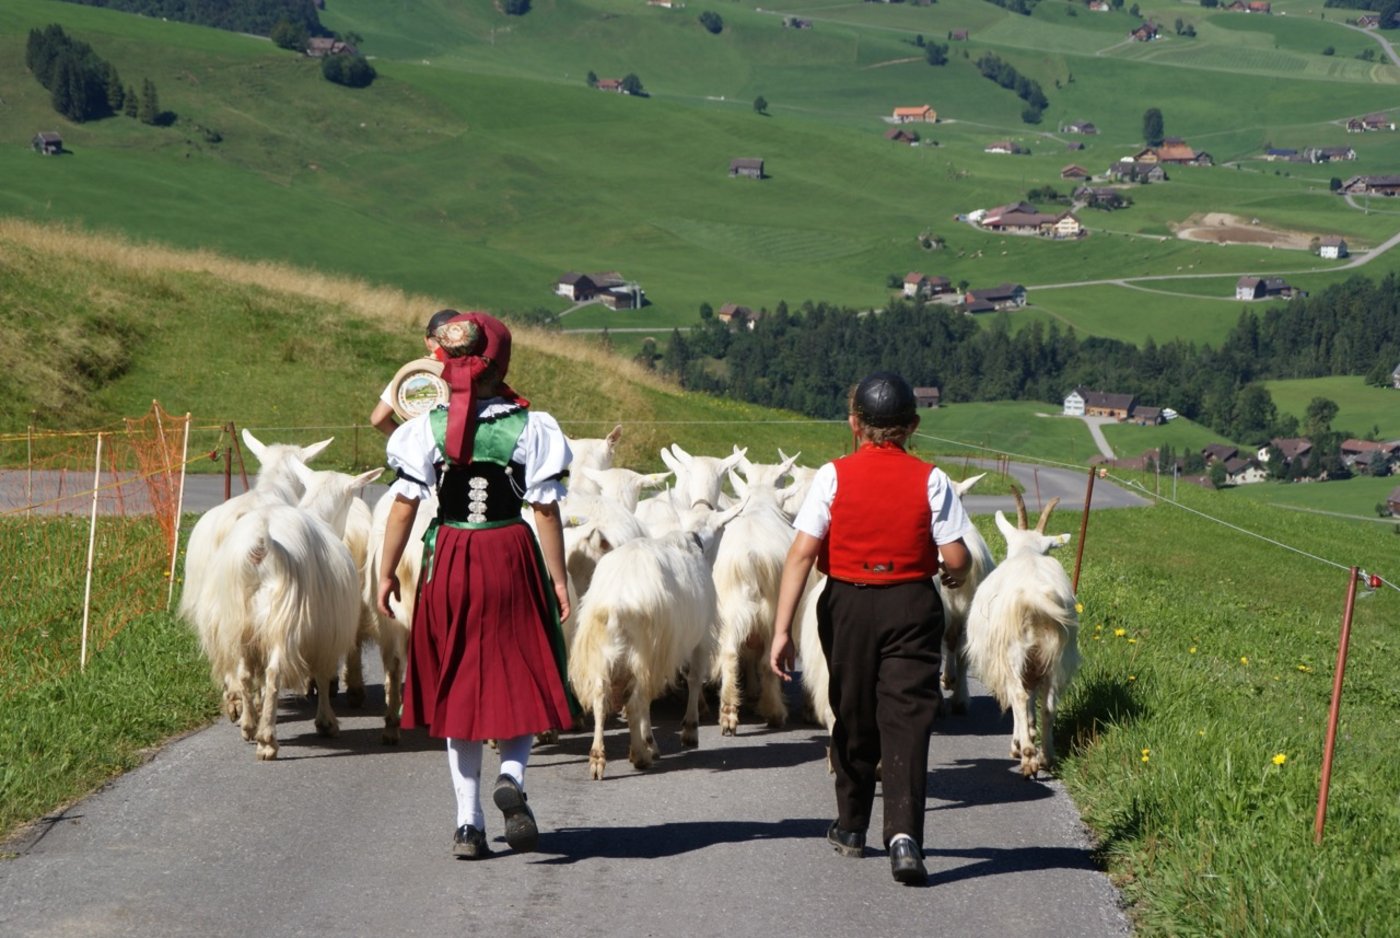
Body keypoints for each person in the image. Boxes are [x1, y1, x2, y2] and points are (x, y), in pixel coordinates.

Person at [376, 310, 578, 860]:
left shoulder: (426, 428)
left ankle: (468, 823)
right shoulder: (533, 426)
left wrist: (386, 569)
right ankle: (512, 773)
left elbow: (402, 506)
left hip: (452, 558)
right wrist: (559, 580)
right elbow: (545, 510)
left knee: (456, 686)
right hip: (510, 554)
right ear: (502, 362)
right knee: (520, 674)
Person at [769, 371, 973, 886]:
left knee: (853, 711)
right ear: (913, 427)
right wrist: (957, 571)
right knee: (908, 719)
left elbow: (802, 554)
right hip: (911, 605)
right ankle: (904, 836)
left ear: (854, 423)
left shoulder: (833, 476)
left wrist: (781, 629)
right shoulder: (932, 479)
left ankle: (853, 825)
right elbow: (955, 554)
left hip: (848, 605)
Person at [369, 308, 459, 437]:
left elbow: (378, 419)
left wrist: (407, 442)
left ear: (427, 341)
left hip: (417, 451)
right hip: (455, 449)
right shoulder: (471, 374)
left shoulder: (410, 375)